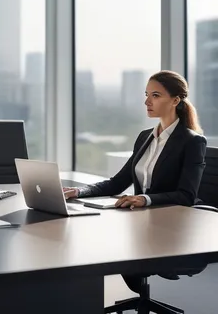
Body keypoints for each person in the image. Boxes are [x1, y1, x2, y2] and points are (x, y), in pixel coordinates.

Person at [64, 70, 207, 292]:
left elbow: (186, 195)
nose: (146, 101)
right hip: (141, 224)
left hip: (171, 227)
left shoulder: (192, 142)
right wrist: (80, 192)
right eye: (146, 94)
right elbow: (117, 182)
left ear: (175, 100)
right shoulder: (145, 137)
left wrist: (144, 199)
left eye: (156, 95)